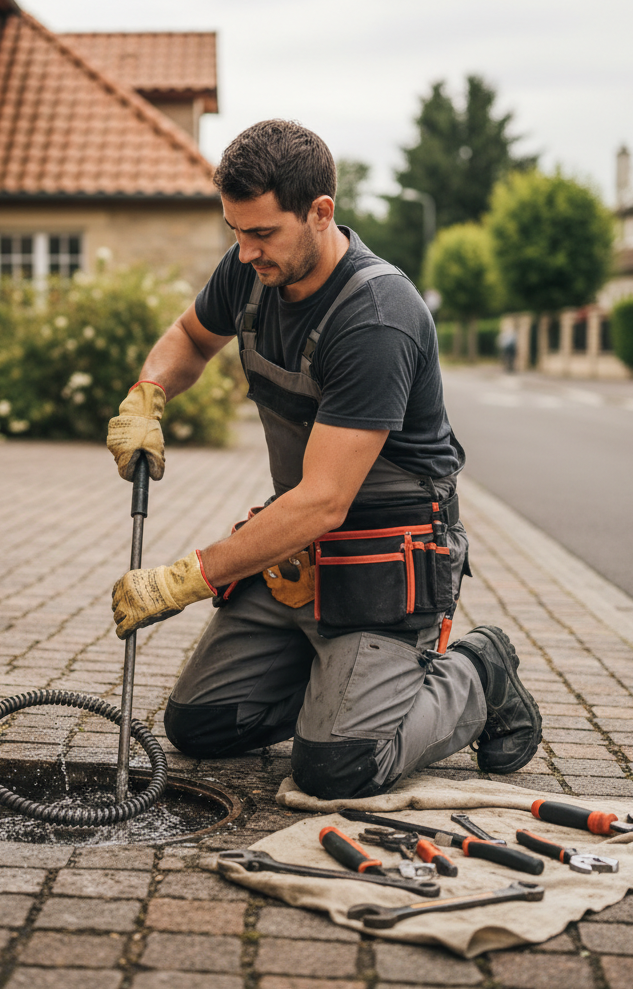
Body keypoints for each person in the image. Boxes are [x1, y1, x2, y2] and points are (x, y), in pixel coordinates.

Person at [107, 120, 540, 800]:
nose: (246, 252)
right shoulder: (250, 274)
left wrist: (185, 578)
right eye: (236, 232)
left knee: (336, 768)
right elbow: (190, 337)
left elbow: (326, 501)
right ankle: (343, 686)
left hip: (380, 560)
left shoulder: (376, 315)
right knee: (200, 726)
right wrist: (147, 392)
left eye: (263, 234)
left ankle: (477, 674)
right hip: (297, 553)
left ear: (321, 211)